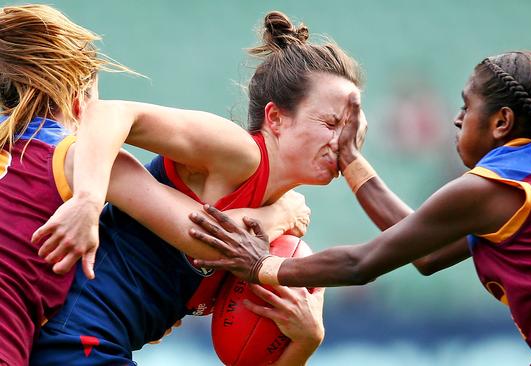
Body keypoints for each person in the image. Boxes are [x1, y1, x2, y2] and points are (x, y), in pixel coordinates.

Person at [189, 51, 531, 365]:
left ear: (501, 122)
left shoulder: (489, 186)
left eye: (465, 107)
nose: (456, 118)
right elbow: (425, 252)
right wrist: (349, 158)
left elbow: (362, 263)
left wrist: (262, 266)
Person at [30, 10, 363, 366]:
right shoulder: (240, 153)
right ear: (276, 118)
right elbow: (108, 113)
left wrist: (307, 342)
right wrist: (87, 200)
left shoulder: (279, 230)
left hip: (93, 345)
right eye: (330, 123)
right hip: (75, 337)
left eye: (354, 127)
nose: (343, 140)